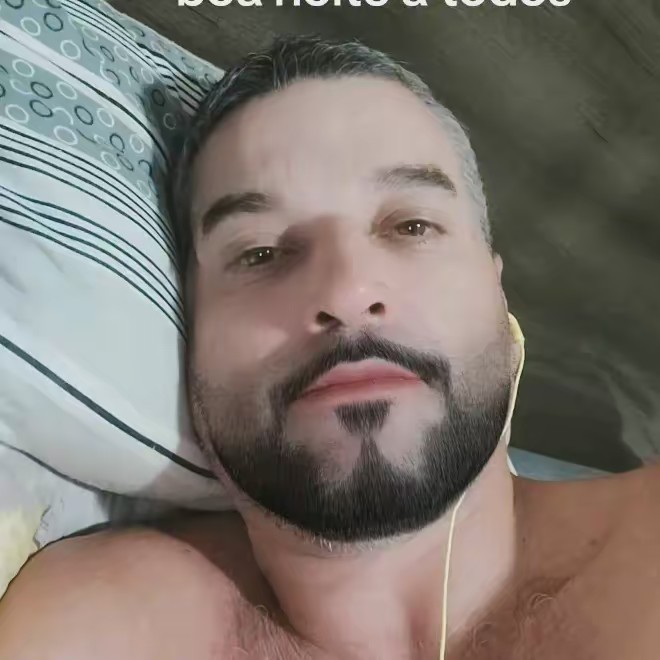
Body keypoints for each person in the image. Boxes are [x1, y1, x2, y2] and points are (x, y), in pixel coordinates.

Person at [1, 35, 659, 660]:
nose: (346, 291)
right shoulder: (95, 629)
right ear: (190, 332)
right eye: (260, 253)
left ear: (496, 295)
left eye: (412, 225)